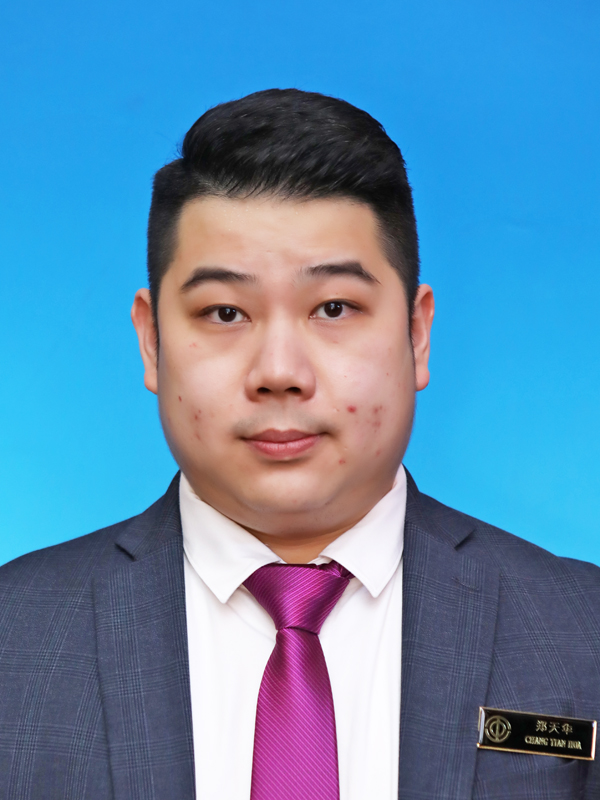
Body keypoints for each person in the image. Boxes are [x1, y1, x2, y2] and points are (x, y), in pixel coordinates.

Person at [0, 89, 599, 800]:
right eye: (225, 312)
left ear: (417, 334)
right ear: (152, 340)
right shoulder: (16, 639)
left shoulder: (581, 633)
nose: (280, 372)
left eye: (334, 308)